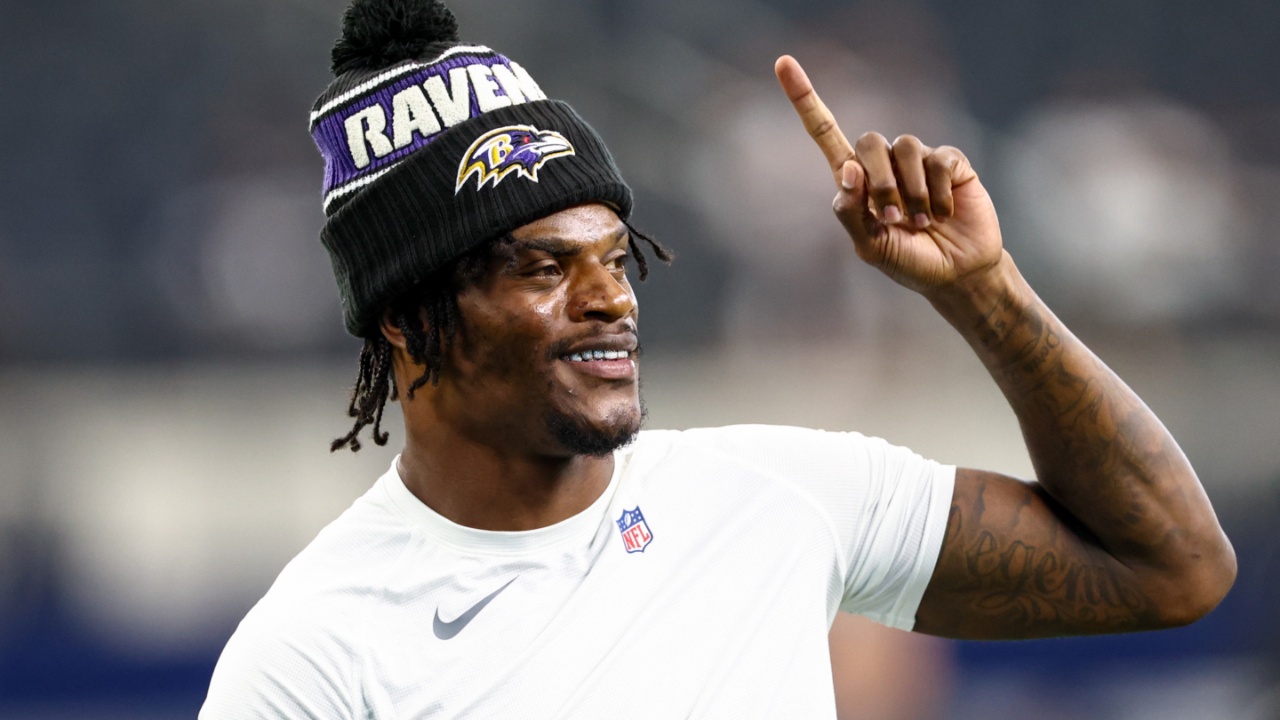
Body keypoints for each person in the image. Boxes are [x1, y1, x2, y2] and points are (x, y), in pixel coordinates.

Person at [200, 0, 1237, 717]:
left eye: (617, 255)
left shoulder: (777, 495)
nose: (609, 297)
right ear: (405, 314)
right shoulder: (309, 658)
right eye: (540, 266)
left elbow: (1172, 567)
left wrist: (980, 290)